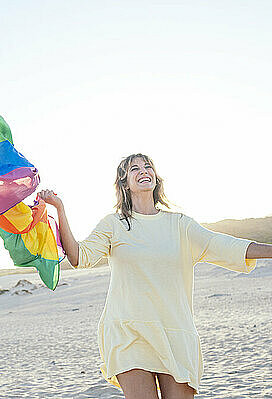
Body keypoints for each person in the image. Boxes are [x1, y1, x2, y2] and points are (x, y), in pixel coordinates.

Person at [38, 153, 272, 399]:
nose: (143, 171)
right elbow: (78, 256)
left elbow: (224, 244)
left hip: (175, 331)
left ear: (156, 178)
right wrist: (59, 208)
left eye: (148, 166)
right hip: (128, 332)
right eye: (134, 168)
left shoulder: (180, 224)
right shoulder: (114, 224)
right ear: (124, 183)